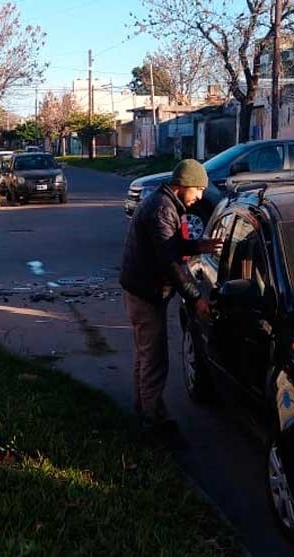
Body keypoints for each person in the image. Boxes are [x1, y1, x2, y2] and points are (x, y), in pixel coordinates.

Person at [120, 159, 222, 444]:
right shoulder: (161, 210)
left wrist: (197, 245)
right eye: (198, 189)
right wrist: (196, 297)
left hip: (141, 289)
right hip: (145, 293)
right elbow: (171, 263)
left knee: (145, 356)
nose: (200, 196)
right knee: (154, 360)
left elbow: (169, 247)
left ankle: (144, 410)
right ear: (183, 185)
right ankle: (153, 423)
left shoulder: (163, 204)